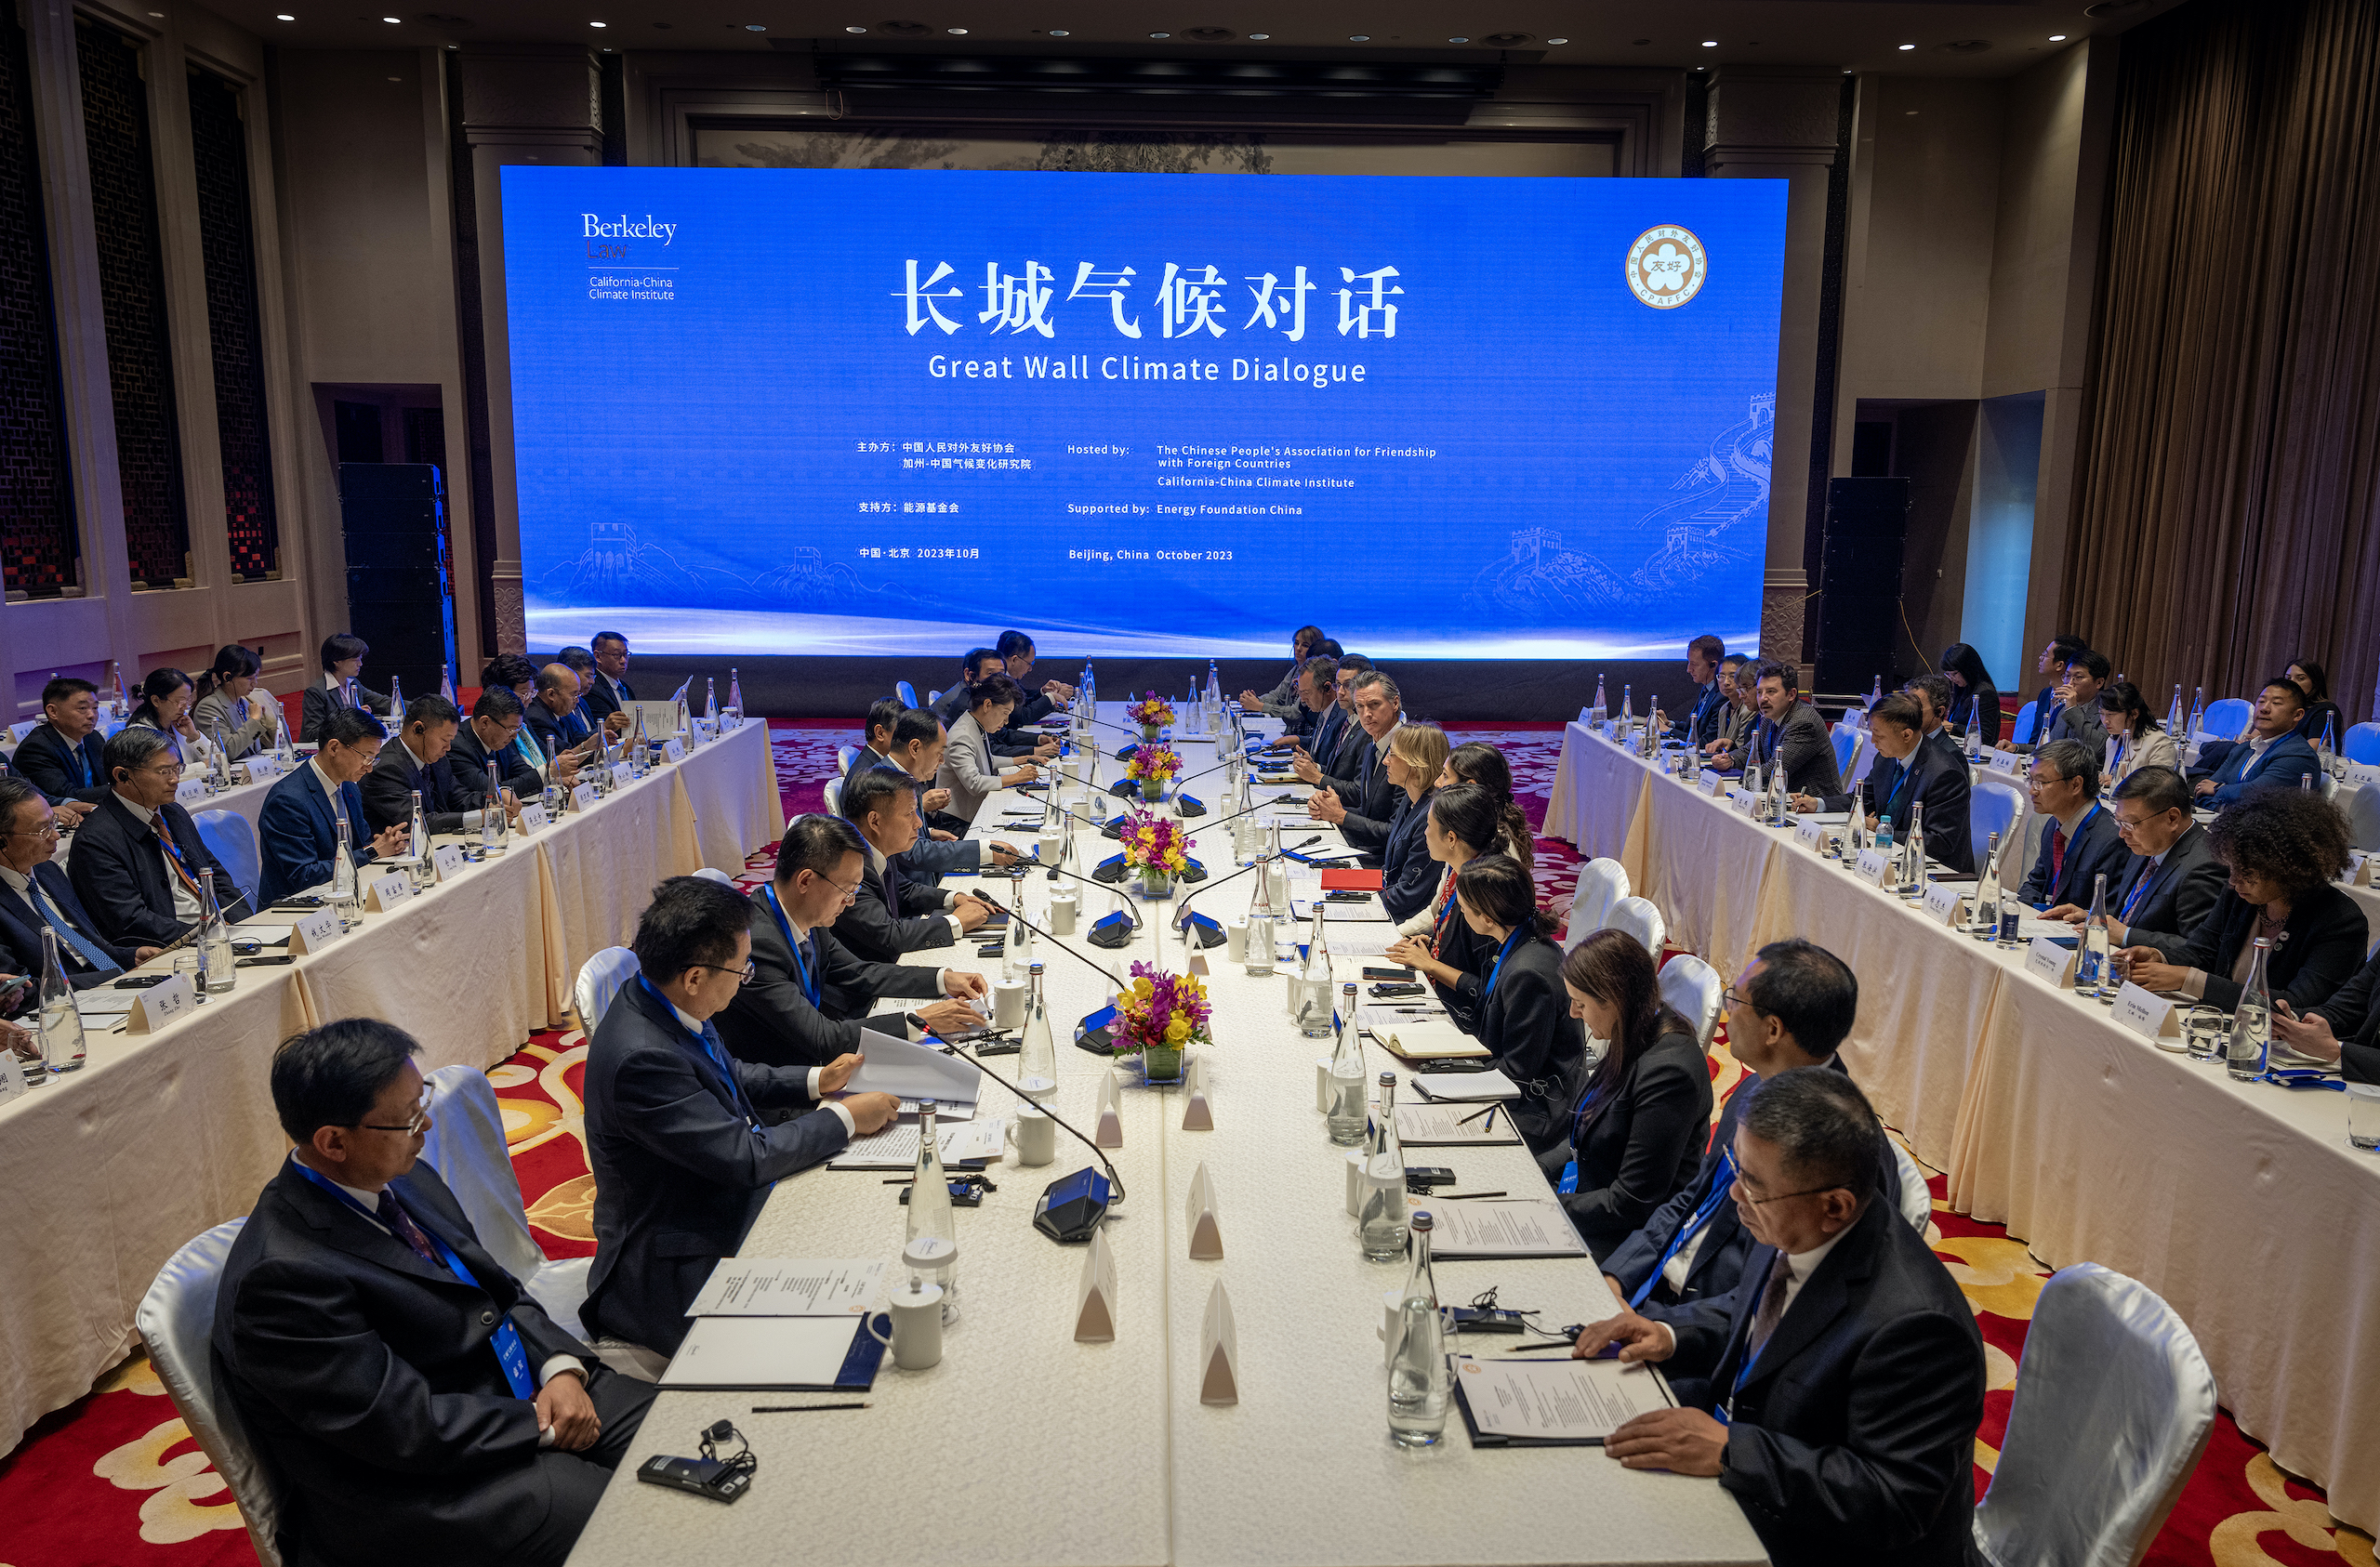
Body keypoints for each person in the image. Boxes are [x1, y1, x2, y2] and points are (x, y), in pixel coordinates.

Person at [213, 1019, 654, 1567]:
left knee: (687, 1432)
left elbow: (496, 1290)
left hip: (504, 1397)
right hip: (418, 1493)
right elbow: (398, 1429)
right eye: (406, 1119)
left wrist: (559, 1369)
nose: (424, 1126)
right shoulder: (281, 1279)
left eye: (421, 1101)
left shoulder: (403, 1176)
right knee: (641, 1521)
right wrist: (539, 1424)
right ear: (333, 1142)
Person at [1573, 1070, 1985, 1567]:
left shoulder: (1919, 1329)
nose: (1734, 1195)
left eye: (1753, 1184)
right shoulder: (1796, 1218)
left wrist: (1732, 1452)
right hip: (1761, 1446)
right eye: (1737, 1168)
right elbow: (1759, 1308)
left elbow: (1893, 1500)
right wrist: (1667, 1333)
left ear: (1835, 1206)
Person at [581, 876, 899, 1363]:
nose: (746, 976)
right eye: (741, 969)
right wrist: (845, 1117)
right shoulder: (641, 1059)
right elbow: (745, 1158)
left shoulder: (661, 995)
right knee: (845, 1334)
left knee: (867, 1228)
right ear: (694, 977)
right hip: (672, 1259)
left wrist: (817, 1080)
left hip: (719, 1195)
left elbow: (727, 1072)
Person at [1602, 941, 1897, 1311]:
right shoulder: (1754, 1088)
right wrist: (1618, 1275)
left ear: (1772, 1029)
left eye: (1735, 1000)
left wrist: (1664, 1326)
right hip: (1656, 1286)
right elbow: (1695, 1197)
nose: (1727, 1011)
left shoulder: (1845, 1153)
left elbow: (1795, 1298)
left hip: (1707, 1321)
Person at [716, 812, 989, 1071]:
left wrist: (942, 979)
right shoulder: (758, 945)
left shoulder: (806, 913)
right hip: (785, 1076)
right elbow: (822, 1038)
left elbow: (860, 972)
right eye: (847, 890)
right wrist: (922, 1020)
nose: (851, 902)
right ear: (806, 881)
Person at [1537, 930, 1712, 1259]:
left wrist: (1546, 1207)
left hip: (1627, 1237)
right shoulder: (1635, 1031)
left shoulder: (1669, 1074)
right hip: (1592, 1195)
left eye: (1581, 1003)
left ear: (1613, 999)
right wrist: (1536, 1171)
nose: (1574, 1013)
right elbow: (1582, 1138)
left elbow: (1632, 1202)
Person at [2115, 784, 2365, 1011]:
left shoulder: (2340, 921)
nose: (2233, 881)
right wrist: (2160, 957)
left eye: (2247, 872)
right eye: (2232, 867)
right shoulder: (2239, 896)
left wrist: (2189, 979)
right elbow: (2202, 952)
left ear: (2288, 868)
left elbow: (2295, 1004)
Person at [68, 727, 254, 945]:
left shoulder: (173, 812)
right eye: (164, 771)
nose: (175, 780)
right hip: (172, 946)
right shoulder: (95, 841)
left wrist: (246, 924)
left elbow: (214, 874)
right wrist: (209, 935)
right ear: (122, 775)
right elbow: (131, 920)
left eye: (177, 768)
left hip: (219, 932)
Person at [1448, 853, 1581, 1151]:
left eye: (1463, 907)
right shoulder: (1519, 940)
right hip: (1512, 1077)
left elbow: (1517, 1072)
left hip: (1537, 1109)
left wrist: (1452, 1079)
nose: (1461, 911)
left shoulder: (1529, 974)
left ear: (1486, 917)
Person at [2044, 766, 2224, 947]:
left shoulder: (2204, 867)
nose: (2122, 833)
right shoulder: (2146, 845)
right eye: (2119, 822)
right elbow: (2132, 914)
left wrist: (2126, 935)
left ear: (2172, 818)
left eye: (2130, 824)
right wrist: (2092, 917)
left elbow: (2199, 949)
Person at [0, 776, 154, 986]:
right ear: (2, 841)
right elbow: (20, 988)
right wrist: (110, 978)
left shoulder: (47, 870)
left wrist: (129, 957)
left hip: (105, 982)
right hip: (67, 997)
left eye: (53, 822)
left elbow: (87, 945)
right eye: (42, 830)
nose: (55, 835)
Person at [1796, 692, 1973, 875]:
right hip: (1889, 857)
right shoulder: (1886, 759)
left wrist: (1882, 831)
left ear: (1906, 735)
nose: (1873, 741)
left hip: (1936, 872)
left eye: (1878, 735)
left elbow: (1939, 841)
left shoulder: (1945, 774)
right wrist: (1818, 803)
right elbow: (1862, 799)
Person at [836, 765, 995, 959]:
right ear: (875, 821)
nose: (919, 823)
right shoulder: (847, 869)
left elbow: (904, 891)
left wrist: (953, 898)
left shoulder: (877, 846)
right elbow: (890, 936)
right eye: (910, 813)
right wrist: (954, 922)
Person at [258, 706, 412, 907]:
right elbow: (304, 875)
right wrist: (373, 852)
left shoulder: (349, 786)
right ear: (333, 748)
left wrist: (385, 843)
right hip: (297, 910)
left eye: (374, 759)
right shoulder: (287, 801)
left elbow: (361, 845)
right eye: (366, 757)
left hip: (346, 894)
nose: (369, 768)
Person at [1385, 784, 1506, 1032]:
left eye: (1429, 826)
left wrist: (1431, 964)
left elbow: (1488, 989)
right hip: (1444, 996)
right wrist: (1432, 944)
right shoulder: (1457, 871)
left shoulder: (1484, 896)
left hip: (1466, 1022)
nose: (1425, 833)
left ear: (1451, 838)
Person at [870, 706, 1019, 873]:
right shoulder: (885, 786)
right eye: (939, 753)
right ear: (915, 748)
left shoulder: (903, 775)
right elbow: (913, 853)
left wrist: (929, 833)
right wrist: (984, 851)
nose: (942, 761)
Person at [364, 693, 517, 837]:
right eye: (445, 739)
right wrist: (479, 817)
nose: (448, 747)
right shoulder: (387, 769)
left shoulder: (437, 760)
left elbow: (459, 798)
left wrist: (496, 799)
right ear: (418, 729)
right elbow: (418, 822)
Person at [2014, 740, 2127, 908]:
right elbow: (2036, 884)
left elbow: (2108, 911)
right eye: (2031, 780)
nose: (2032, 790)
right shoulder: (2053, 824)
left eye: (2041, 782)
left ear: (2075, 785)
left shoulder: (2111, 840)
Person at [2189, 679, 2320, 803]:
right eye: (2261, 701)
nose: (2264, 708)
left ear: (2297, 715)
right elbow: (2203, 791)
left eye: (2276, 703)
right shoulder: (2243, 749)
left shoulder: (2299, 755)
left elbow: (2257, 794)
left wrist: (2218, 790)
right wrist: (2220, 800)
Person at [1305, 668, 1404, 833]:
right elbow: (1368, 812)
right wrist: (1327, 808)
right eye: (1360, 706)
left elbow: (1396, 833)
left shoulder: (1407, 752)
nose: (1366, 714)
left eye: (1374, 704)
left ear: (1395, 703)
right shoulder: (1372, 745)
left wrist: (1341, 816)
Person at [1368, 724, 1448, 920]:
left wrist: (1364, 903)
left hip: (1407, 920)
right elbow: (1390, 872)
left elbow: (1408, 895)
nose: (1385, 761)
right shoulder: (1409, 798)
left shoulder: (1431, 818)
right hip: (1391, 902)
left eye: (1393, 755)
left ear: (1416, 764)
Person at [934, 673, 1038, 825]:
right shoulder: (962, 736)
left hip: (972, 813)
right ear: (987, 705)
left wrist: (1022, 759)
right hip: (956, 822)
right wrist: (1017, 777)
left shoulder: (975, 724)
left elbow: (987, 760)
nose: (1006, 721)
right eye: (1005, 713)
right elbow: (974, 783)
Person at [13, 676, 109, 815]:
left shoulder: (92, 737)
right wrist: (122, 789)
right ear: (53, 712)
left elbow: (107, 779)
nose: (92, 715)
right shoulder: (35, 748)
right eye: (82, 708)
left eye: (95, 708)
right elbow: (67, 795)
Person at [1743, 662, 1841, 798]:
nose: (1763, 698)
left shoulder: (1803, 722)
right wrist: (1728, 760)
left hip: (1813, 804)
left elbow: (1774, 771)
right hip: (1784, 798)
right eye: (1759, 692)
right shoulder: (1769, 716)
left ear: (1791, 694)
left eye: (1771, 692)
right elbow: (1750, 751)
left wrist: (1744, 777)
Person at [1436, 740, 1535, 864]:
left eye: (1445, 775)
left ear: (1470, 786)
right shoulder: (1465, 825)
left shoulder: (1493, 846)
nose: (1437, 783)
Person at [450, 687, 545, 804]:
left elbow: (524, 772)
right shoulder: (457, 748)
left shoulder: (499, 736)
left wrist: (549, 775)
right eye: (511, 729)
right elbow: (491, 790)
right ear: (485, 722)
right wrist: (545, 772)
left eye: (517, 729)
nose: (514, 736)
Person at [125, 667, 225, 773]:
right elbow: (160, 774)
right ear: (156, 700)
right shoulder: (141, 734)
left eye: (188, 700)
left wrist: (194, 737)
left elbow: (219, 760)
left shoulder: (178, 724)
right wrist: (202, 767)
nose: (185, 707)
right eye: (180, 701)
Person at [299, 632, 391, 742]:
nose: (360, 664)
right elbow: (314, 733)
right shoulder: (316, 692)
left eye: (360, 658)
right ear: (337, 661)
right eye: (355, 660)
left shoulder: (353, 683)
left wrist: (410, 709)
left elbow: (381, 702)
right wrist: (352, 719)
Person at [191, 644, 280, 758]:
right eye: (249, 678)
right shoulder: (208, 708)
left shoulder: (244, 703)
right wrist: (254, 720)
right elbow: (226, 752)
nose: (255, 683)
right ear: (227, 677)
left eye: (256, 677)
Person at [2096, 680, 2179, 783]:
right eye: (2101, 713)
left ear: (2134, 714)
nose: (2105, 720)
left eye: (2111, 714)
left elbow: (2158, 787)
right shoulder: (2112, 741)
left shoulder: (2159, 744)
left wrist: (2120, 783)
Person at [1240, 625, 1327, 718]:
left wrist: (1259, 706)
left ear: (1314, 649)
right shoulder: (1295, 670)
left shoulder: (1314, 675)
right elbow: (1278, 696)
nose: (1298, 648)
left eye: (1305, 645)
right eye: (1296, 643)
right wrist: (1254, 700)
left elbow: (1295, 713)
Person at [1264, 654, 1340, 758]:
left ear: (1327, 688)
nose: (1303, 699)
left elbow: (1334, 763)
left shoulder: (1341, 719)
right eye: (1300, 692)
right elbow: (1319, 744)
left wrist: (1314, 766)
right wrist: (1297, 740)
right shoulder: (1324, 710)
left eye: (1307, 693)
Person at [2021, 634, 2090, 746]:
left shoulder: (2076, 699)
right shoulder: (2045, 694)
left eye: (2045, 655)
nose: (2040, 658)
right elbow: (2036, 741)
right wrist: (2016, 747)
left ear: (2059, 665)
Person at [524, 664, 598, 761]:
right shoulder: (537, 717)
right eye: (574, 695)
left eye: (578, 694)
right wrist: (587, 747)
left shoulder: (559, 708)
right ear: (551, 694)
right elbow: (561, 757)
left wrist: (600, 738)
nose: (577, 700)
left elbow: (576, 738)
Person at [2045, 648, 2110, 756]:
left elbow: (2098, 748)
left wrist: (2072, 709)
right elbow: (2049, 746)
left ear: (2099, 682)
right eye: (2067, 676)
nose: (2069, 683)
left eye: (2078, 677)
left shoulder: (2107, 711)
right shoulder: (2063, 708)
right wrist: (2018, 748)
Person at [1938, 641, 2002, 748]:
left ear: (1968, 669)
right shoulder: (1962, 688)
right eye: (1948, 674)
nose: (1952, 679)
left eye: (1954, 674)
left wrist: (1953, 727)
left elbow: (1986, 736)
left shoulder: (1985, 693)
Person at [1703, 654, 1757, 769]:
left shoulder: (1749, 709)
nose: (1726, 682)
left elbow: (1742, 749)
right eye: (1721, 676)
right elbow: (1721, 747)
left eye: (1733, 676)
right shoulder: (1724, 708)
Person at [1675, 635, 1728, 747]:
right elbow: (1692, 729)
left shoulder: (1722, 696)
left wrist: (1668, 730)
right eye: (1689, 663)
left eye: (1694, 664)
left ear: (1713, 665)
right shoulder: (1706, 690)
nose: (1688, 669)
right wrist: (1670, 724)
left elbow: (1705, 741)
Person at [2287, 658, 2345, 751]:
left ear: (2315, 682)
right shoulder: (2288, 708)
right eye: (2288, 678)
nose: (2292, 682)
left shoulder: (2324, 709)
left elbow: (2311, 749)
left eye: (2300, 678)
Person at [1903, 674, 1959, 763]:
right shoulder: (1899, 744)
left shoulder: (1950, 754)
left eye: (1917, 708)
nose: (1908, 714)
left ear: (1939, 712)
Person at [581, 631, 634, 725]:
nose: (623, 661)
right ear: (598, 656)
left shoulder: (624, 687)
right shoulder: (592, 688)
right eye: (616, 655)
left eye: (625, 654)